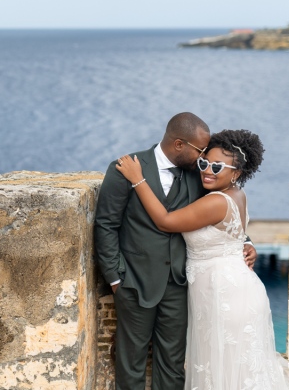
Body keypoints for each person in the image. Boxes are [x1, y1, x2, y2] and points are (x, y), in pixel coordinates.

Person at [115, 129, 289, 390]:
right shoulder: (237, 193)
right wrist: (246, 243)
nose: (207, 171)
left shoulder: (215, 202)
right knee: (231, 372)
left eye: (217, 166)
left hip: (224, 296)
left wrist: (138, 180)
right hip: (230, 288)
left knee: (225, 372)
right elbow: (232, 233)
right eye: (203, 163)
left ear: (236, 173)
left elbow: (166, 222)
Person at [94, 113, 257, 390]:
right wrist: (115, 278)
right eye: (201, 151)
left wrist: (244, 240)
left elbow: (219, 211)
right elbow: (106, 224)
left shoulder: (200, 173)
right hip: (134, 281)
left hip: (181, 283)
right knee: (130, 361)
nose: (204, 158)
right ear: (179, 144)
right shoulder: (127, 168)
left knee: (172, 362)